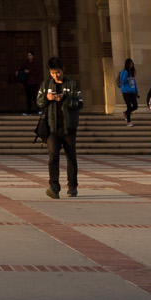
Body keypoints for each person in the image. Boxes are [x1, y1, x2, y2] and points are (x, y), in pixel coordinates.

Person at [40, 55, 84, 197]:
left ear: (63, 69)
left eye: (58, 72)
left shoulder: (72, 85)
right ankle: (54, 186)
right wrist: (47, 98)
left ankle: (72, 186)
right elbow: (39, 103)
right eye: (52, 73)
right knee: (53, 156)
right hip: (52, 127)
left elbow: (80, 104)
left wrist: (65, 99)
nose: (55, 75)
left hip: (69, 127)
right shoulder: (46, 85)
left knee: (71, 157)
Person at [118, 58, 140, 125]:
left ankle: (126, 113)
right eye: (130, 64)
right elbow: (123, 81)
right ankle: (128, 121)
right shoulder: (124, 72)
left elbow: (134, 83)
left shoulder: (131, 73)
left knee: (135, 106)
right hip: (126, 92)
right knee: (129, 106)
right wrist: (126, 74)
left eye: (132, 64)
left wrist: (136, 92)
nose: (131, 65)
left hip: (132, 92)